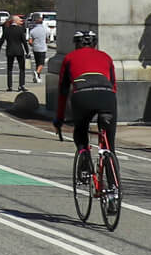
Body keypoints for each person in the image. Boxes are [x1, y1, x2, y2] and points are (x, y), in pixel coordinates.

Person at [54, 29, 118, 159]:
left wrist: (59, 118)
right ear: (95, 44)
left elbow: (63, 91)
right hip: (106, 96)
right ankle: (112, 169)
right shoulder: (106, 56)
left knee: (81, 130)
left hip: (82, 96)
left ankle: (84, 162)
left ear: (76, 44)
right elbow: (113, 86)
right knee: (109, 144)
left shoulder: (69, 58)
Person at [0, 15, 29, 92]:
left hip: (10, 50)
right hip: (19, 51)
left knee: (9, 69)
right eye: (19, 20)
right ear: (15, 21)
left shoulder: (7, 30)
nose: (20, 21)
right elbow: (24, 42)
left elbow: (2, 40)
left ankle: (10, 86)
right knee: (21, 68)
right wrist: (27, 51)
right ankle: (21, 85)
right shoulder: (20, 29)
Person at [26, 17, 51, 84]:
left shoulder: (32, 30)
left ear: (36, 22)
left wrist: (33, 44)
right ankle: (37, 73)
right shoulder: (45, 29)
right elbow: (47, 39)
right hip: (42, 48)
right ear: (42, 22)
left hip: (35, 48)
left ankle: (37, 77)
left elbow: (30, 41)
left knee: (37, 62)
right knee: (41, 63)